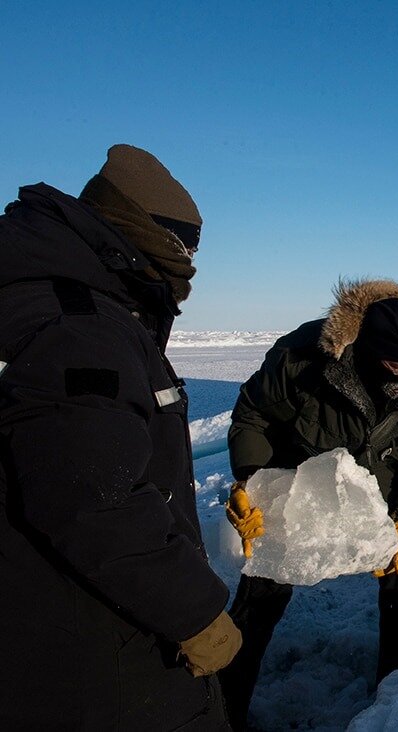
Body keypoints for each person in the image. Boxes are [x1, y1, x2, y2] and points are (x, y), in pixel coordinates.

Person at [0, 145, 241, 729]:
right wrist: (194, 611)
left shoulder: (57, 302)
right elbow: (94, 495)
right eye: (184, 248)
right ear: (141, 234)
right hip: (91, 643)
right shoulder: (79, 327)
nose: (190, 267)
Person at [219, 280, 398, 730]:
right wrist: (250, 480)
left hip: (384, 479)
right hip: (302, 468)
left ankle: (396, 695)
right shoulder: (305, 363)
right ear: (369, 350)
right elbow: (252, 413)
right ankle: (223, 705)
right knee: (265, 577)